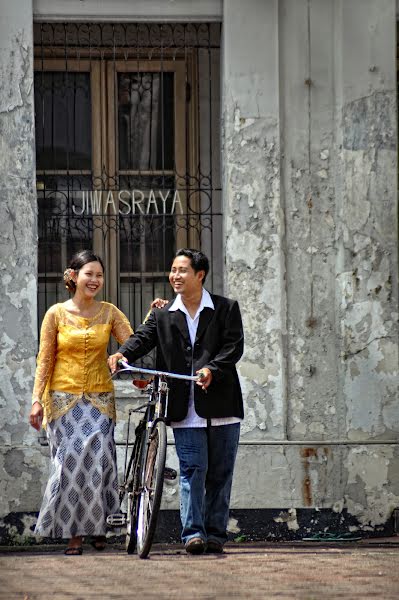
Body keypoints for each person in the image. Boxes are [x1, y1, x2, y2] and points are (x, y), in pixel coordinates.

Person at [108, 248, 244, 554]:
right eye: (173, 270)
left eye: (182, 270)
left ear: (200, 275)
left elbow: (233, 347)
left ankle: (215, 535)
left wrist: (213, 369)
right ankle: (193, 534)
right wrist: (122, 353)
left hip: (223, 407)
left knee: (220, 474)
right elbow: (141, 338)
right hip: (184, 408)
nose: (175, 276)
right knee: (192, 469)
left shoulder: (225, 308)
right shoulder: (163, 314)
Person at [29, 250, 134, 555]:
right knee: (71, 462)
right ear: (73, 276)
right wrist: (36, 400)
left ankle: (99, 528)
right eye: (89, 274)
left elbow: (133, 344)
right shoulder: (56, 314)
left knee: (101, 460)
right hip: (62, 401)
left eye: (100, 275)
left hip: (100, 400)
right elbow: (44, 359)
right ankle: (74, 534)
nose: (95, 280)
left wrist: (152, 320)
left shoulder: (110, 312)